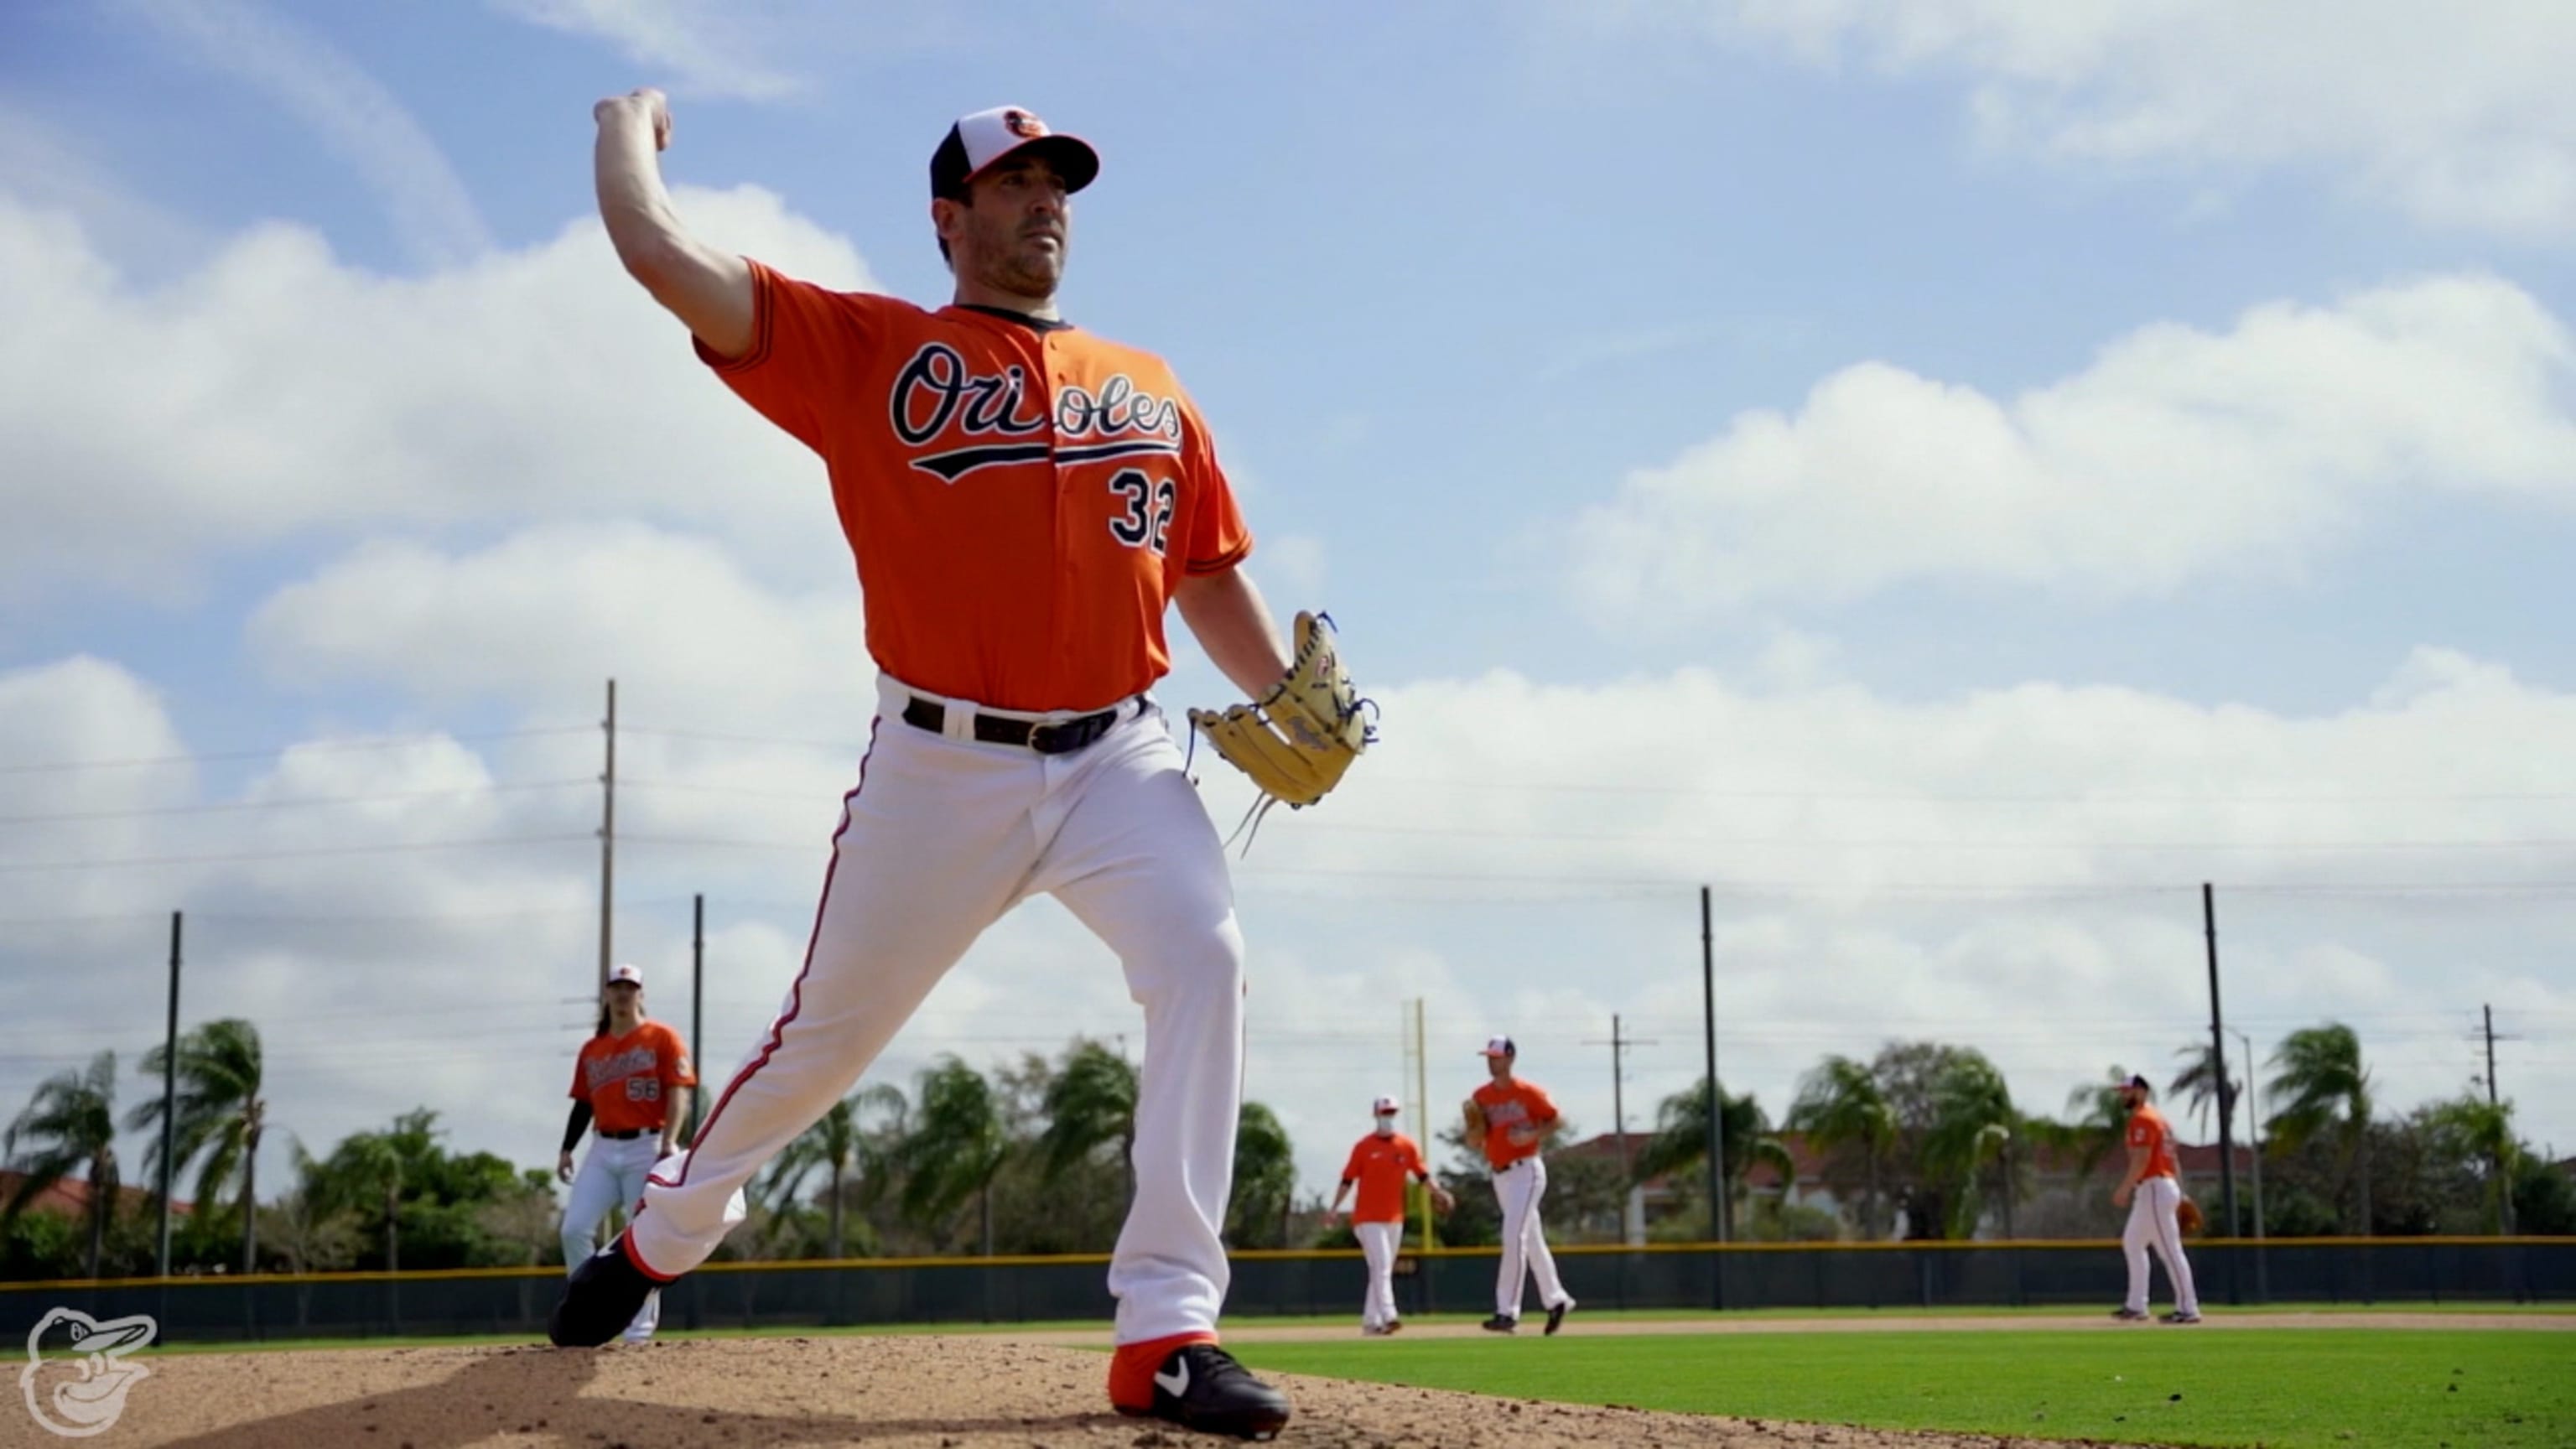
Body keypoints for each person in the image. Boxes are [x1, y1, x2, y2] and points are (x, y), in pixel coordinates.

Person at [558, 92, 1333, 1440]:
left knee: (1205, 959)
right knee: (820, 1044)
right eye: (1014, 180)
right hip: (939, 766)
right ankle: (661, 1242)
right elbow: (653, 248)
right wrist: (628, 129)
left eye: (1060, 184)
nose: (1044, 202)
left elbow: (1203, 573)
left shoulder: (1149, 384)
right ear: (948, 215)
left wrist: (1280, 693)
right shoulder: (869, 349)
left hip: (1119, 758)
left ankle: (1166, 1330)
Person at [558, 962, 696, 1345]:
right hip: (603, 1145)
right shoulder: (594, 1048)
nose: (623, 993)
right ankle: (588, 1310)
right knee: (574, 1229)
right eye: (617, 986)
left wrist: (670, 1141)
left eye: (630, 986)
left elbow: (678, 1092)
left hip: (647, 1143)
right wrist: (567, 1148)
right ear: (607, 994)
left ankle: (638, 1332)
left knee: (646, 1238)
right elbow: (584, 1104)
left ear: (641, 994)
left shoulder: (662, 1037)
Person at [1466, 1036, 1576, 1335]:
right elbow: (1475, 1138)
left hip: (1527, 1171)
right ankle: (1557, 1299)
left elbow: (1557, 1120)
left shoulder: (1528, 1092)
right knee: (1532, 1242)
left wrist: (1533, 1134)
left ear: (1511, 1059)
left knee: (1514, 1236)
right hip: (1500, 1174)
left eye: (1497, 1057)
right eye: (1488, 1057)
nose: (1491, 1061)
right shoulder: (1481, 1096)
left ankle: (1507, 1312)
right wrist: (1474, 1134)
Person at [1326, 1095, 1453, 1336]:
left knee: (1379, 1269)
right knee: (1383, 1266)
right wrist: (1334, 1209)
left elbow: (1423, 1175)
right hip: (1367, 1218)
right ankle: (1389, 1315)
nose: (1388, 1117)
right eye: (1385, 1113)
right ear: (1375, 1115)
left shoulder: (1406, 1146)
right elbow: (1347, 1180)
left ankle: (1370, 1322)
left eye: (1392, 1113)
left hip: (1394, 1218)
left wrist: (1438, 1192)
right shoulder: (1363, 1147)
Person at [2110, 1073, 2202, 1325]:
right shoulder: (2160, 1120)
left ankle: (2188, 1308)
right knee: (2133, 1243)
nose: (2123, 1095)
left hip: (2153, 1188)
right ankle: (2136, 1305)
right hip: (2158, 1188)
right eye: (2122, 1091)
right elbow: (2174, 1160)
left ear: (2141, 1091)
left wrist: (2124, 1188)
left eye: (2127, 1091)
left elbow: (2141, 1159)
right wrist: (2180, 1192)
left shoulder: (2144, 1119)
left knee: (2170, 1250)